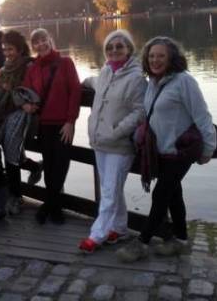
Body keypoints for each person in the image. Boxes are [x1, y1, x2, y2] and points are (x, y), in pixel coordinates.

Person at [117, 37, 216, 262]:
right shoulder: (152, 82)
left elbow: (202, 116)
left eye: (161, 55)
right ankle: (180, 240)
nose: (155, 60)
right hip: (161, 151)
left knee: (161, 193)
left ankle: (142, 243)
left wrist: (209, 148)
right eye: (151, 56)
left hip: (181, 150)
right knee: (173, 194)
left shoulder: (184, 82)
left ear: (172, 57)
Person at [78, 30, 147, 253]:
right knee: (113, 189)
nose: (114, 50)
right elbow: (96, 83)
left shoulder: (137, 77)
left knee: (108, 191)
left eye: (119, 46)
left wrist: (117, 131)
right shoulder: (107, 71)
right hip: (99, 142)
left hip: (120, 144)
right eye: (110, 47)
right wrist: (82, 82)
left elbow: (140, 112)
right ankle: (119, 227)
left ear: (129, 49)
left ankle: (97, 234)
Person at [23, 28, 82, 224]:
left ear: (50, 40)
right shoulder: (32, 69)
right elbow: (25, 93)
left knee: (61, 165)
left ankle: (48, 206)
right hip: (43, 124)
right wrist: (26, 105)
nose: (41, 44)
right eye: (36, 42)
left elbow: (75, 91)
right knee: (49, 166)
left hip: (62, 124)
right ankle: (55, 208)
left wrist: (70, 121)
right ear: (33, 47)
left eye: (43, 40)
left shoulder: (65, 63)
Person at [0, 30, 41, 215]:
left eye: (10, 49)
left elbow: (30, 91)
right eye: (4, 49)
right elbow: (2, 89)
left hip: (23, 114)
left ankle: (16, 197)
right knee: (8, 150)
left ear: (20, 49)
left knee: (11, 152)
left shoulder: (29, 65)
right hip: (7, 113)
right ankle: (35, 166)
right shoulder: (4, 68)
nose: (7, 53)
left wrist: (16, 95)